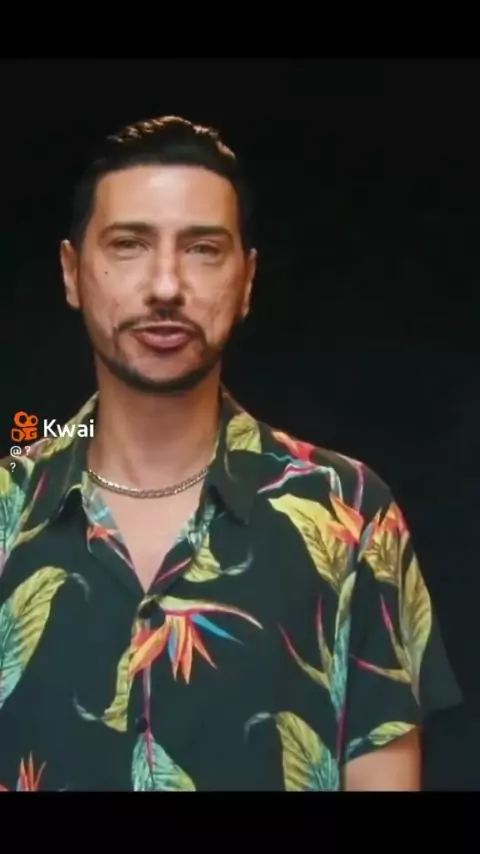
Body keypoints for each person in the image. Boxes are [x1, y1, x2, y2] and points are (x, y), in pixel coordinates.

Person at [0, 115, 461, 792]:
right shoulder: (7, 509)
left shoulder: (350, 513)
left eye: (202, 249)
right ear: (72, 273)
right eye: (129, 245)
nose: (165, 285)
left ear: (246, 280)